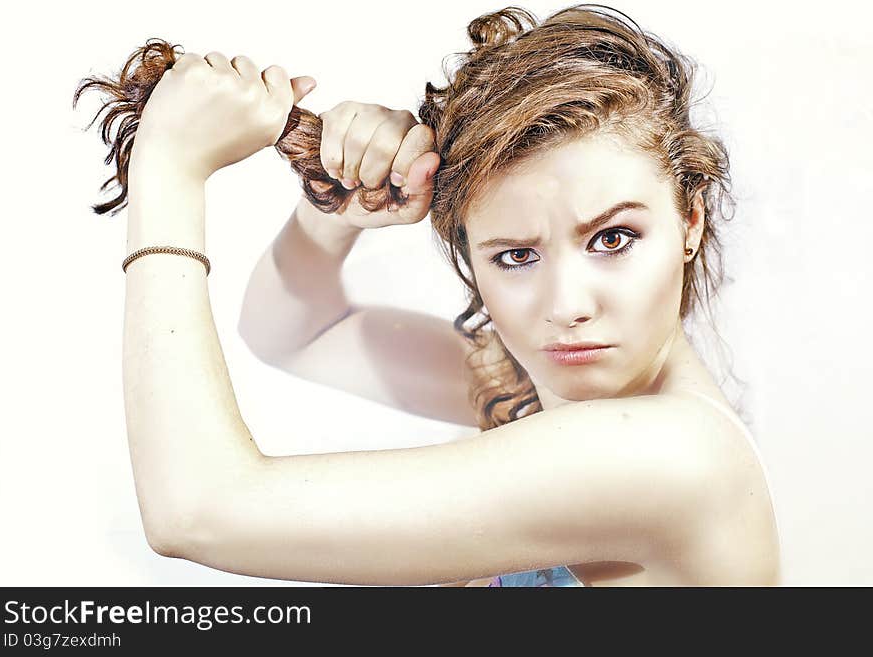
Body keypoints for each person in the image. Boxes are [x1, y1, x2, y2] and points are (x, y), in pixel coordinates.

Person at [74, 4, 780, 586]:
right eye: (516, 255)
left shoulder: (675, 457)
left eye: (613, 238)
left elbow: (195, 511)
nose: (567, 304)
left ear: (690, 219)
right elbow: (295, 332)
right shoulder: (545, 395)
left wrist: (165, 170)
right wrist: (336, 211)